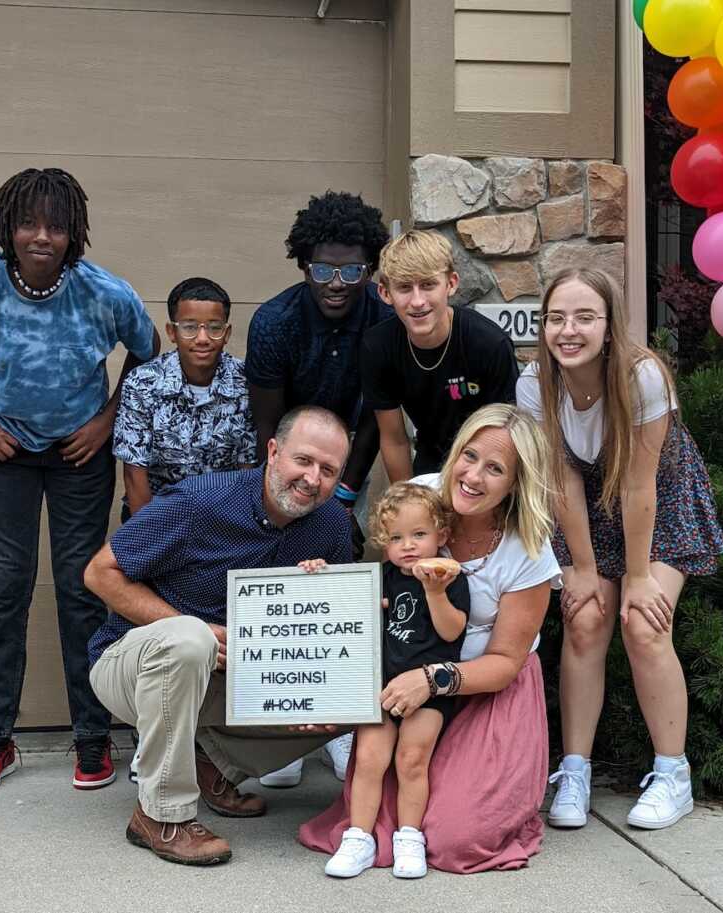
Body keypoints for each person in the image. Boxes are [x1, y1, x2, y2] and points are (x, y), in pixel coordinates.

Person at [0, 168, 159, 794]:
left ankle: (92, 735)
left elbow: (146, 348)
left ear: (74, 233)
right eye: (29, 223)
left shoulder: (104, 293)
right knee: (5, 585)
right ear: (7, 225)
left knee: (81, 585)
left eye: (56, 226)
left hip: (77, 456)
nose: (41, 236)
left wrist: (105, 422)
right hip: (2, 452)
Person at [83, 406, 354, 866]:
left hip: (230, 679)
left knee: (353, 699)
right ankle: (159, 815)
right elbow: (99, 573)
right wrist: (191, 628)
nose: (312, 479)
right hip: (133, 665)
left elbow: (338, 618)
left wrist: (324, 687)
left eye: (328, 470)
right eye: (303, 461)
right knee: (189, 640)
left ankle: (212, 762)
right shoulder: (199, 503)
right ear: (273, 452)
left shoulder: (331, 526)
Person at [300, 404, 562, 873]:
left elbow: (505, 661)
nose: (474, 476)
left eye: (496, 468)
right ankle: (369, 836)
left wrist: (433, 678)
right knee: (379, 786)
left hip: (487, 689)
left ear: (516, 484)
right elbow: (372, 591)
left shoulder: (528, 547)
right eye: (470, 455)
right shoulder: (419, 497)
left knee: (459, 837)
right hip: (401, 676)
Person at [516, 268, 723, 831]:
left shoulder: (642, 376)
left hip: (656, 500)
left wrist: (636, 576)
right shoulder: (536, 382)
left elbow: (638, 484)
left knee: (642, 622)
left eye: (585, 317)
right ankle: (576, 769)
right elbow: (563, 478)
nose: (569, 330)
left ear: (609, 326)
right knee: (585, 618)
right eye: (557, 318)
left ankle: (672, 774)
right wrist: (583, 568)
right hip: (585, 504)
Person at [246, 190, 391, 786]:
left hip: (348, 461)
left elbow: (378, 419)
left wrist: (346, 491)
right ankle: (280, 738)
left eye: (352, 270)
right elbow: (267, 425)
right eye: (323, 269)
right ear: (303, 263)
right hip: (286, 456)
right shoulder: (274, 322)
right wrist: (294, 486)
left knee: (341, 582)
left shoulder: (383, 321)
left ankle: (333, 726)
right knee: (279, 577)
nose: (337, 282)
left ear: (370, 267)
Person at [321, 482, 469, 879]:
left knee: (411, 759)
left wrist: (434, 591)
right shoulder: (381, 577)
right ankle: (359, 837)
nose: (408, 546)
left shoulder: (452, 578)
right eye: (396, 538)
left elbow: (453, 632)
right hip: (383, 687)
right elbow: (341, 605)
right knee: (369, 759)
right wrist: (319, 575)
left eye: (419, 535)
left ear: (442, 535)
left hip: (429, 692)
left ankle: (409, 837)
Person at [361, 229, 519, 482]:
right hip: (429, 457)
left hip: (486, 464)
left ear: (451, 283)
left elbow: (507, 434)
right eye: (404, 288)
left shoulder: (489, 344)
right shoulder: (378, 346)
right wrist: (407, 501)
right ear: (385, 293)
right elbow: (394, 439)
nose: (417, 301)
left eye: (428, 285)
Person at [113, 276, 255, 520]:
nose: (202, 339)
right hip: (157, 511)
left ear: (227, 332)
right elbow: (135, 475)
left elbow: (247, 470)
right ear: (171, 331)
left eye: (214, 327)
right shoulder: (143, 383)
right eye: (190, 327)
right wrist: (152, 539)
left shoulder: (245, 382)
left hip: (224, 513)